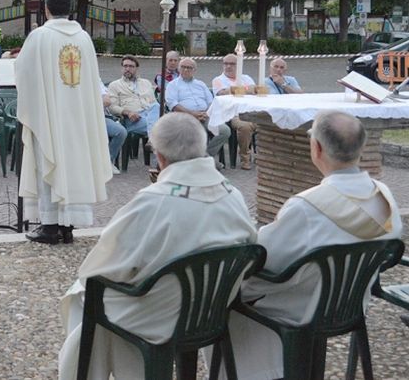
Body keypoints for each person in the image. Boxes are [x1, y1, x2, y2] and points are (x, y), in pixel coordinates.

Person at [57, 113, 257, 380]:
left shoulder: (152, 201)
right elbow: (251, 246)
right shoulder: (233, 194)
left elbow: (101, 267)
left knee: (84, 296)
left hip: (159, 317)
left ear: (160, 157)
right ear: (201, 148)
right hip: (213, 311)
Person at [223, 111, 402, 380]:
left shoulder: (306, 207)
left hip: (300, 310)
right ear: (361, 148)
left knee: (226, 306)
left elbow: (263, 262)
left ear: (316, 148)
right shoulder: (382, 196)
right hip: (351, 304)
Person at [16, 0, 111, 245]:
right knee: (73, 165)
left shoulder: (39, 37)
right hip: (78, 119)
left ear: (46, 8)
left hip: (49, 115)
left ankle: (49, 227)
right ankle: (67, 226)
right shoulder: (84, 38)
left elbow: (23, 73)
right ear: (69, 8)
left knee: (49, 160)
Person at [165, 57, 230, 161]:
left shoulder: (200, 84)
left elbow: (211, 102)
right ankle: (204, 161)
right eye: (183, 67)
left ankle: (204, 158)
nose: (186, 70)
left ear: (194, 70)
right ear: (179, 68)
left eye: (189, 68)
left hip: (205, 116)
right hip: (185, 117)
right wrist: (193, 114)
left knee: (225, 131)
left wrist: (206, 114)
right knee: (199, 132)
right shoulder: (172, 85)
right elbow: (173, 104)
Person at [212, 54, 257, 170]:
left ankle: (265, 156)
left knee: (271, 122)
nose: (228, 66)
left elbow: (255, 90)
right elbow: (221, 93)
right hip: (233, 113)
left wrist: (232, 90)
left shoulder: (246, 78)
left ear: (239, 65)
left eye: (232, 64)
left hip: (252, 110)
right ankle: (245, 158)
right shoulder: (217, 80)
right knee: (245, 126)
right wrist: (246, 89)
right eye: (225, 63)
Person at [107, 56, 159, 138]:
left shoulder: (146, 83)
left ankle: (152, 140)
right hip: (133, 119)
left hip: (149, 115)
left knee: (156, 106)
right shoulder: (115, 85)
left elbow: (153, 103)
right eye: (125, 66)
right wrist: (128, 113)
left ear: (136, 69)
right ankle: (154, 139)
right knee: (164, 129)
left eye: (131, 66)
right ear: (122, 68)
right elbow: (112, 107)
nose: (127, 69)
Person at [100, 81, 126, 175]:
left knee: (120, 132)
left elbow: (107, 101)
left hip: (99, 118)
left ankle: (108, 162)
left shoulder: (93, 76)